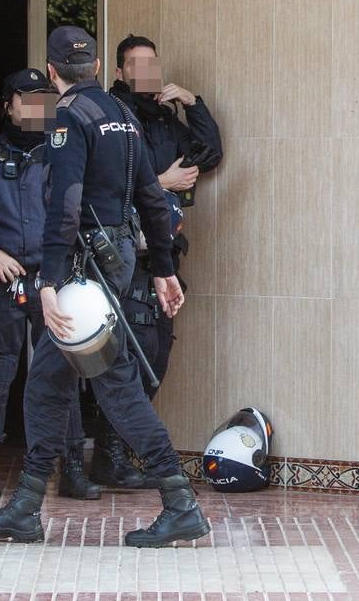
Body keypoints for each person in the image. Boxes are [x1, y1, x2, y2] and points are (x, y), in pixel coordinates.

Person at [0, 27, 208, 547]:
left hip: (83, 269)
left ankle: (179, 501)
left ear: (52, 73)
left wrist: (48, 279)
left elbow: (65, 204)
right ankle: (26, 506)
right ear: (97, 65)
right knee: (50, 382)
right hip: (115, 261)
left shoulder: (69, 118)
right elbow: (150, 196)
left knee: (112, 384)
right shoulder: (123, 117)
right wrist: (162, 269)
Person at [0, 67, 99, 501]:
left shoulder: (65, 150)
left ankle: (71, 467)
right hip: (4, 279)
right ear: (9, 106)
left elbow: (84, 208)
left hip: (56, 279)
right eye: (27, 100)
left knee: (64, 370)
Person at [93, 34, 223, 489]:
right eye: (136, 63)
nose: (146, 70)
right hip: (126, 256)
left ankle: (116, 453)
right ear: (119, 72)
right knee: (128, 360)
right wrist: (160, 182)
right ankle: (107, 457)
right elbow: (106, 181)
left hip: (164, 257)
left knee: (155, 356)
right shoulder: (113, 117)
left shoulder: (165, 118)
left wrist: (191, 101)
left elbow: (209, 152)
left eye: (153, 62)